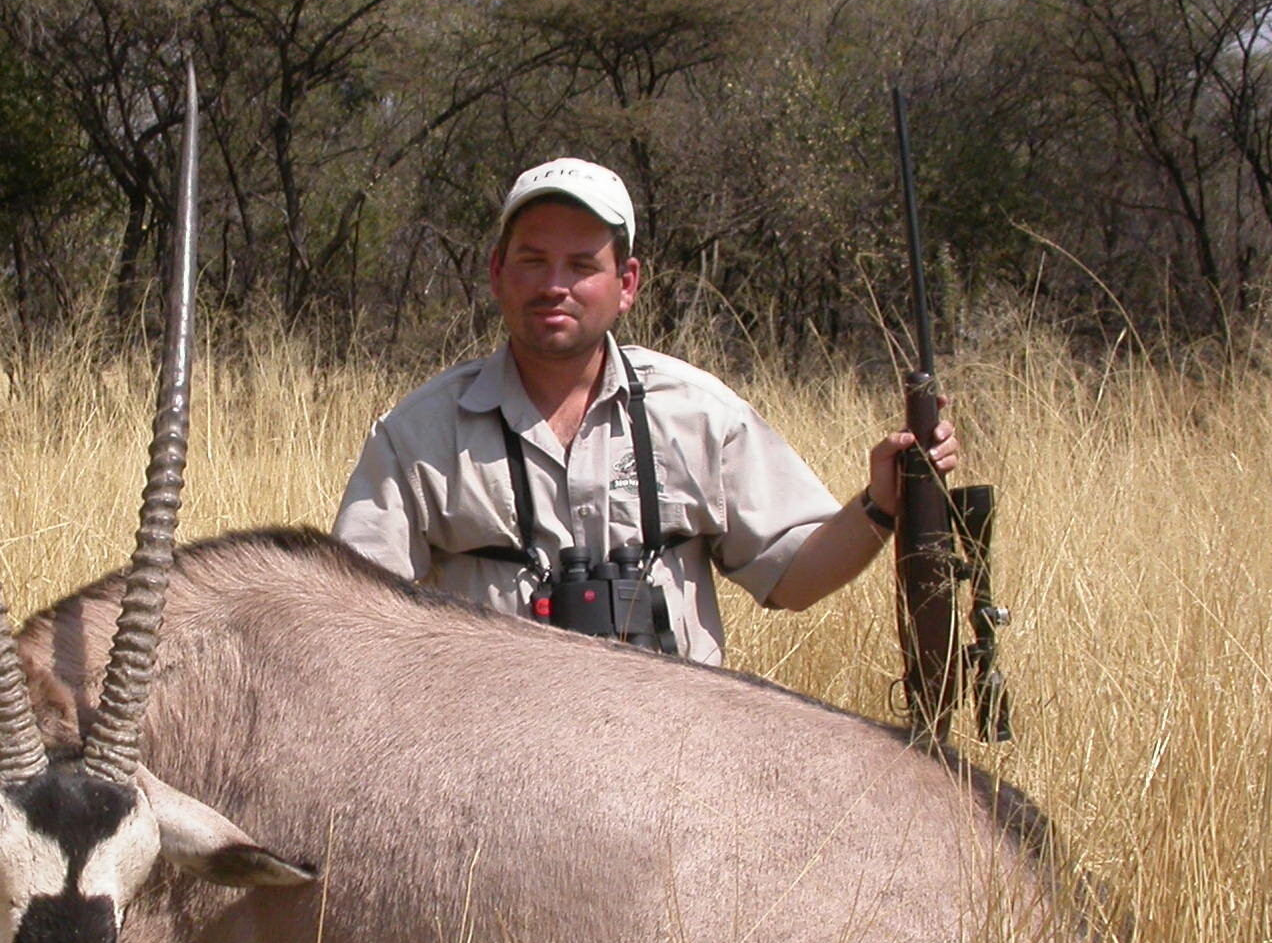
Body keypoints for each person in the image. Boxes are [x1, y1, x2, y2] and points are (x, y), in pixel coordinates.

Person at [332, 157, 959, 666]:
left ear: (626, 283)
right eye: (532, 261)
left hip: (676, 766)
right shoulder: (415, 433)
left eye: (583, 266)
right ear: (498, 274)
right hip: (493, 771)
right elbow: (352, 620)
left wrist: (880, 504)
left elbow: (794, 577)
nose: (556, 285)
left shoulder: (700, 413)